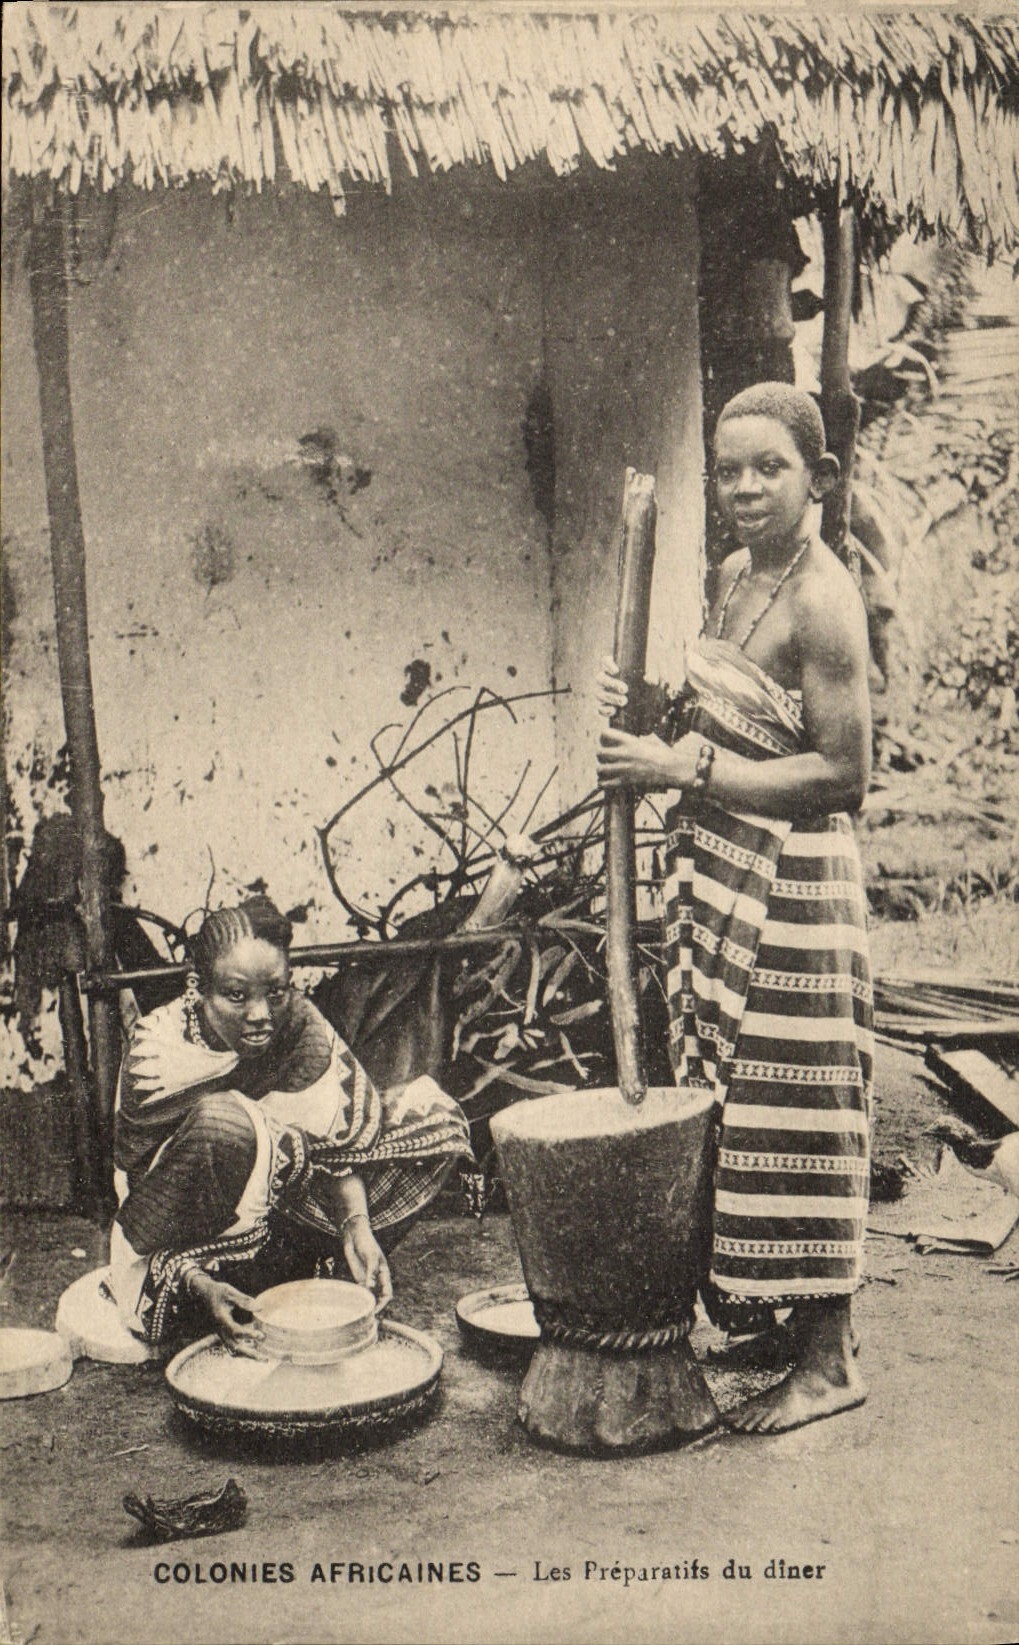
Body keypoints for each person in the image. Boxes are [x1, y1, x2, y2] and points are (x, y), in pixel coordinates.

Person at [596, 382, 873, 1434]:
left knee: (801, 1110)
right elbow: (726, 710)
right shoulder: (728, 575)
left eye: (770, 468)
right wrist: (650, 726)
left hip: (795, 889)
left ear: (819, 479)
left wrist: (684, 764)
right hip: (722, 879)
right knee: (745, 1107)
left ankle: (830, 1355)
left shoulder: (822, 600)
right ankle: (786, 1320)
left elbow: (842, 775)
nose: (745, 488)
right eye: (728, 469)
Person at [109, 895, 471, 1353]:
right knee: (227, 1123)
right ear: (198, 987)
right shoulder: (155, 1055)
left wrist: (356, 1226)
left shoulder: (297, 1023)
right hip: (193, 1250)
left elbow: (337, 1149)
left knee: (433, 1119)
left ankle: (324, 1270)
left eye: (275, 992)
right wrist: (198, 1284)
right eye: (237, 996)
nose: (261, 1015)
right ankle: (211, 1299)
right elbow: (143, 1206)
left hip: (283, 1219)